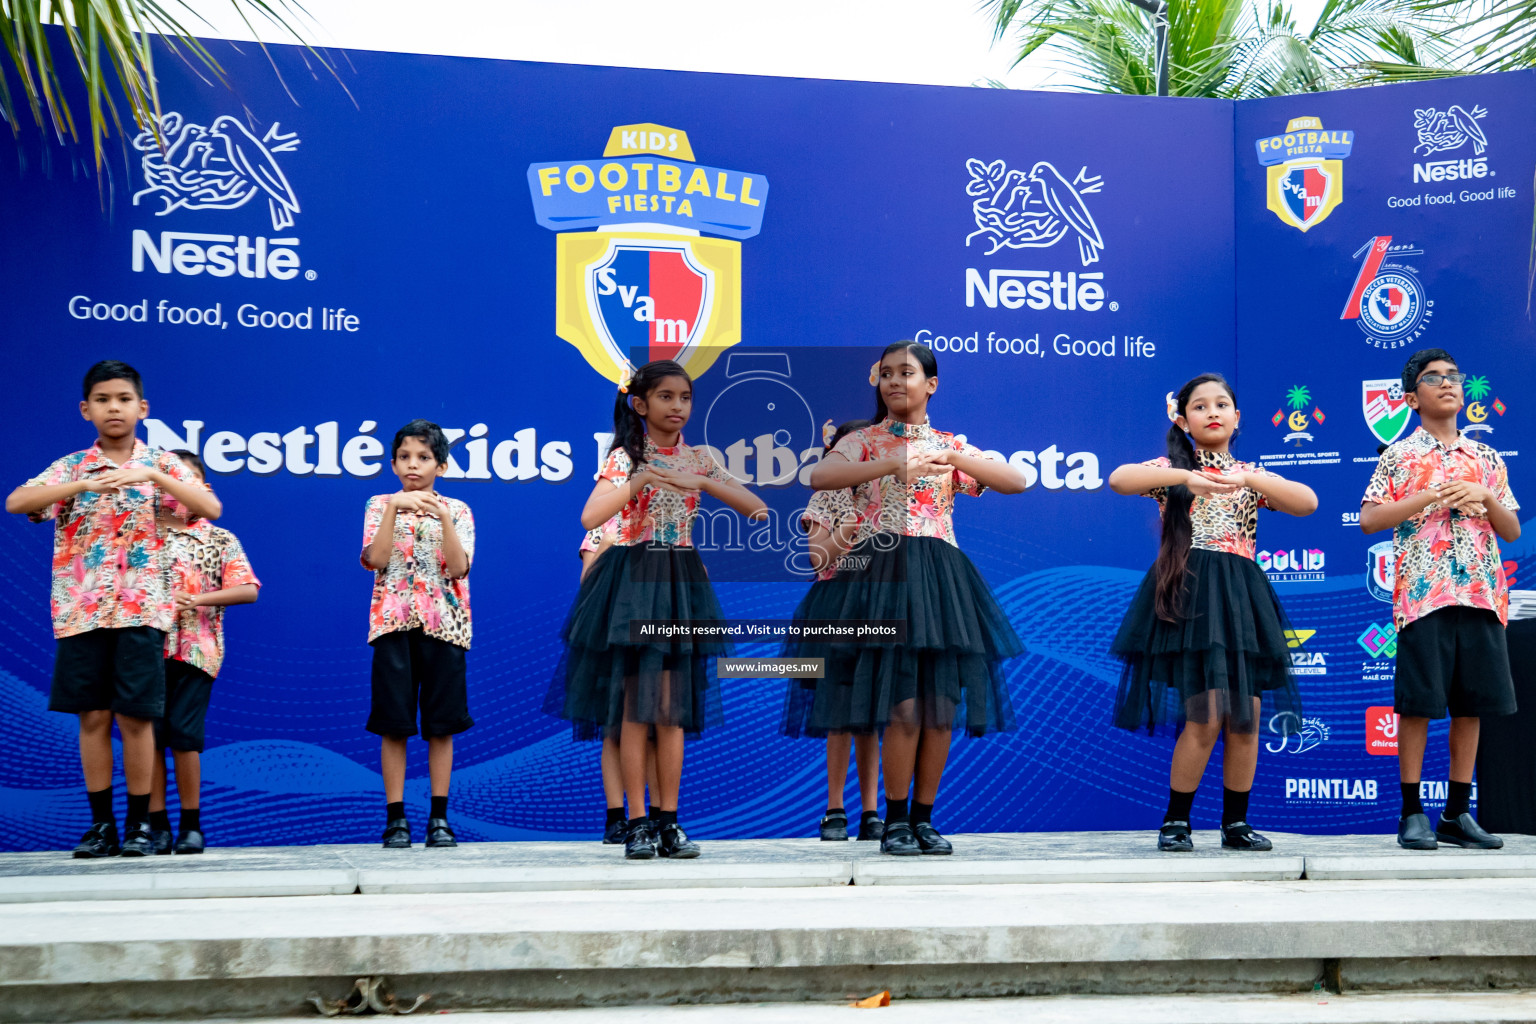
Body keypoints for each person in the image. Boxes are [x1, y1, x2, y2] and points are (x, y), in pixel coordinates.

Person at [802, 342, 1028, 856]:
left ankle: (925, 818)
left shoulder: (950, 444)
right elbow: (821, 477)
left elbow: (1017, 481)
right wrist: (889, 465)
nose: (896, 382)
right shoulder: (863, 441)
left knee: (939, 705)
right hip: (881, 574)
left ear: (932, 384)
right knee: (902, 704)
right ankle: (896, 818)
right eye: (887, 374)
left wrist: (951, 456)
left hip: (941, 576)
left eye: (908, 373)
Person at [550, 359, 766, 860]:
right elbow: (590, 515)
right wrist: (642, 478)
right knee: (633, 709)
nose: (678, 407)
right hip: (633, 580)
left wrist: (707, 482)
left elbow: (755, 508)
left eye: (685, 398)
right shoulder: (626, 457)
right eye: (667, 397)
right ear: (641, 405)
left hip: (680, 578)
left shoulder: (700, 457)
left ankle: (671, 820)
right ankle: (638, 820)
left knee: (671, 709)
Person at [5, 360, 220, 857]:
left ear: (142, 408)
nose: (114, 408)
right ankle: (101, 825)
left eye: (123, 399)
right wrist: (80, 487)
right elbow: (18, 501)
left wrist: (150, 474)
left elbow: (210, 509)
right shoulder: (71, 467)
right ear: (86, 410)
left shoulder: (162, 464)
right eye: (103, 400)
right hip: (81, 610)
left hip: (141, 610)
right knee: (94, 718)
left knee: (136, 718)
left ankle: (141, 825)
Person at [1108, 373, 1317, 853]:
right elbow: (1120, 479)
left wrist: (1246, 478)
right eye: (1199, 407)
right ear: (1183, 420)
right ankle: (1176, 821)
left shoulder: (1250, 475)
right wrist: (1184, 476)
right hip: (1194, 594)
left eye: (1222, 404)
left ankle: (1236, 823)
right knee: (1204, 716)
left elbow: (1307, 502)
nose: (1212, 412)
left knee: (1245, 716)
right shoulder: (1173, 472)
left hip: (1242, 597)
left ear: (1237, 417)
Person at [1360, 349, 1520, 850]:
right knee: (1418, 705)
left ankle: (1456, 813)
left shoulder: (1487, 458)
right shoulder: (1399, 456)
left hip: (1480, 594)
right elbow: (1369, 519)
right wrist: (1430, 495)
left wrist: (1485, 496)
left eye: (1454, 376)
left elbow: (1511, 530)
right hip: (1424, 597)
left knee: (1470, 706)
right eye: (1434, 379)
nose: (1448, 384)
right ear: (1412, 398)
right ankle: (1412, 813)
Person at [362, 420, 475, 850]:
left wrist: (442, 515)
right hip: (392, 625)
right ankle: (395, 820)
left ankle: (439, 819)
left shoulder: (460, 510)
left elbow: (459, 567)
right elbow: (376, 558)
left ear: (440, 467)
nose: (414, 465)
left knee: (441, 726)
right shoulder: (377, 505)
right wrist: (394, 508)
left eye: (424, 458)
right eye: (405, 457)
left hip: (446, 627)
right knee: (394, 726)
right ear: (393, 464)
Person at [147, 450, 260, 854]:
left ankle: (190, 825)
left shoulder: (220, 538)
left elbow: (248, 589)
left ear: (204, 490)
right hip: (145, 652)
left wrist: (197, 599)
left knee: (184, 736)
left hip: (197, 652)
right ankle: (155, 826)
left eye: (186, 481)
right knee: (150, 737)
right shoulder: (142, 536)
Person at [781, 419, 884, 842]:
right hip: (835, 610)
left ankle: (875, 812)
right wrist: (850, 526)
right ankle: (835, 809)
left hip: (881, 608)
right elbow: (817, 560)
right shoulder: (828, 496)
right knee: (839, 713)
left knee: (874, 716)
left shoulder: (889, 492)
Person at [578, 518, 659, 844]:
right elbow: (587, 581)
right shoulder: (601, 527)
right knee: (614, 729)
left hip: (655, 638)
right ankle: (616, 819)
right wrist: (609, 544)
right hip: (611, 639)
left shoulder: (666, 527)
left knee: (653, 729)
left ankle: (656, 816)